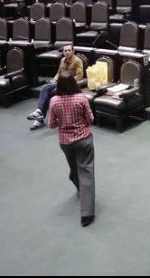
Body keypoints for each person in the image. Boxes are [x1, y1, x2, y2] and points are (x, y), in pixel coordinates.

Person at [47, 72, 96, 227]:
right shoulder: (82, 98)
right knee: (86, 172)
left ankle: (79, 187)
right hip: (83, 140)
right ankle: (87, 214)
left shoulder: (54, 100)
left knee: (74, 168)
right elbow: (91, 119)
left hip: (65, 142)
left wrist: (63, 123)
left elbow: (51, 124)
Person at [28, 45, 85, 130]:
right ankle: (40, 113)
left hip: (70, 83)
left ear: (73, 51)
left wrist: (67, 80)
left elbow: (79, 76)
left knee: (49, 90)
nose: (67, 52)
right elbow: (58, 73)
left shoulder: (77, 61)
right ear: (63, 52)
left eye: (69, 50)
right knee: (46, 88)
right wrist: (54, 80)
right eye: (65, 51)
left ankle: (40, 116)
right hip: (60, 82)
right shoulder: (62, 60)